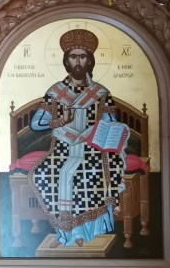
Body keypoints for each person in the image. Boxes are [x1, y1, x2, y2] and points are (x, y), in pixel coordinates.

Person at [28, 29, 128, 248]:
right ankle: (64, 233)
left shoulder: (100, 93)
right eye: (73, 56)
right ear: (66, 61)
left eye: (82, 56)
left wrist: (108, 129)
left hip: (92, 149)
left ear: (89, 60)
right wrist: (58, 121)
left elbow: (111, 121)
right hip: (62, 149)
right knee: (44, 174)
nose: (78, 61)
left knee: (87, 175)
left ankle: (84, 232)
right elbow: (35, 124)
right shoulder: (56, 92)